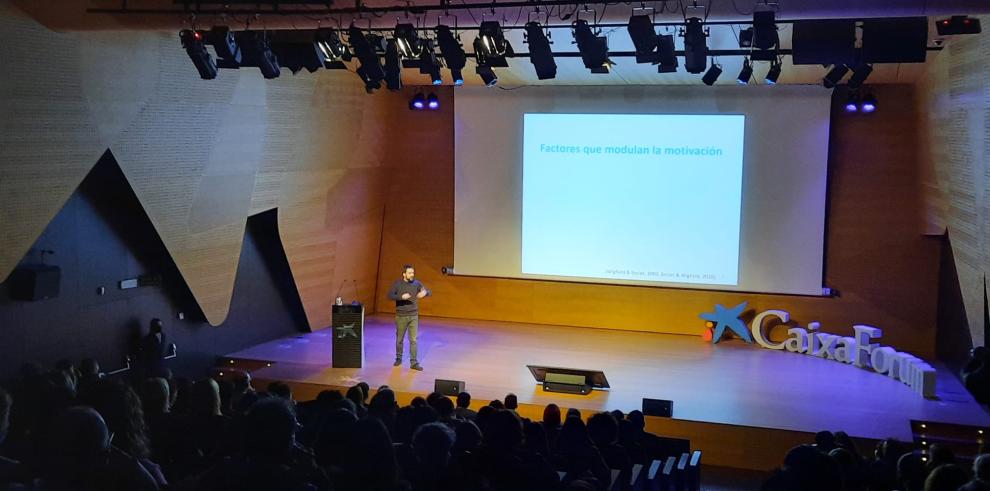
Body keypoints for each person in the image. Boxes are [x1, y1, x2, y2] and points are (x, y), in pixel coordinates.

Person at [387, 265, 431, 371]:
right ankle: (398, 358)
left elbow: (428, 291)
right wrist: (401, 297)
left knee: (413, 340)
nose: (412, 275)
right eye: (410, 273)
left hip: (413, 316)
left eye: (413, 273)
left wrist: (425, 293)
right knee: (399, 339)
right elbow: (390, 295)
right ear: (404, 274)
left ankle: (414, 363)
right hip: (401, 316)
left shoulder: (417, 283)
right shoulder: (398, 284)